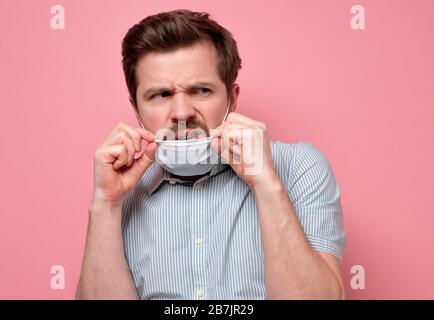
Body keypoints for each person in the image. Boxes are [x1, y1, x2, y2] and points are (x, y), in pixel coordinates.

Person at [76, 9, 345, 300]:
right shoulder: (119, 191)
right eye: (161, 95)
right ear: (136, 109)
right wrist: (106, 204)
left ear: (232, 98)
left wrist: (266, 185)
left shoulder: (298, 167)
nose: (181, 113)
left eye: (201, 90)